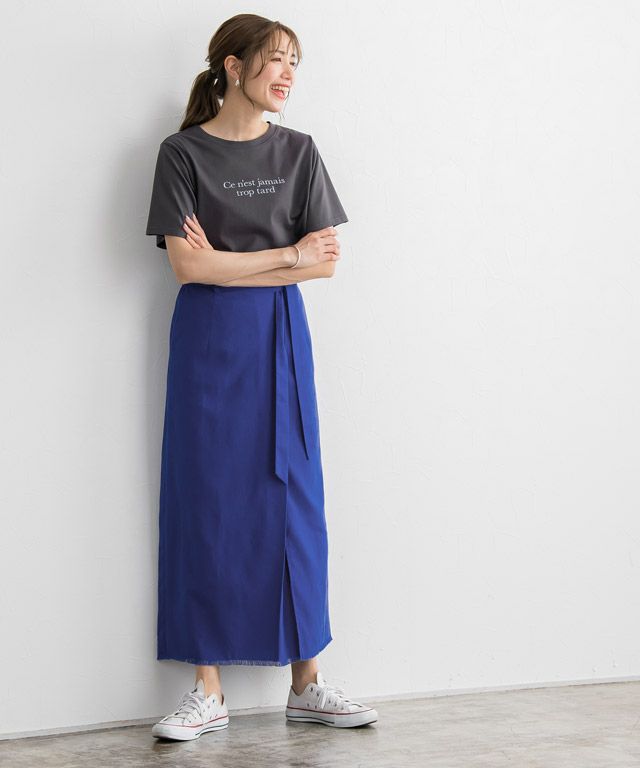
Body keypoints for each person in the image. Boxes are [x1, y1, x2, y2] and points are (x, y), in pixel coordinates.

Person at [144, 14, 378, 740]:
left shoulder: (299, 151)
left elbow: (326, 263)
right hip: (208, 339)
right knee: (205, 496)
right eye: (275, 60)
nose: (288, 75)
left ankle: (307, 684)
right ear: (234, 67)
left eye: (294, 63)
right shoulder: (182, 154)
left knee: (294, 497)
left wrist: (237, 262)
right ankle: (207, 690)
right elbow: (188, 267)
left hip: (280, 337)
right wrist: (285, 256)